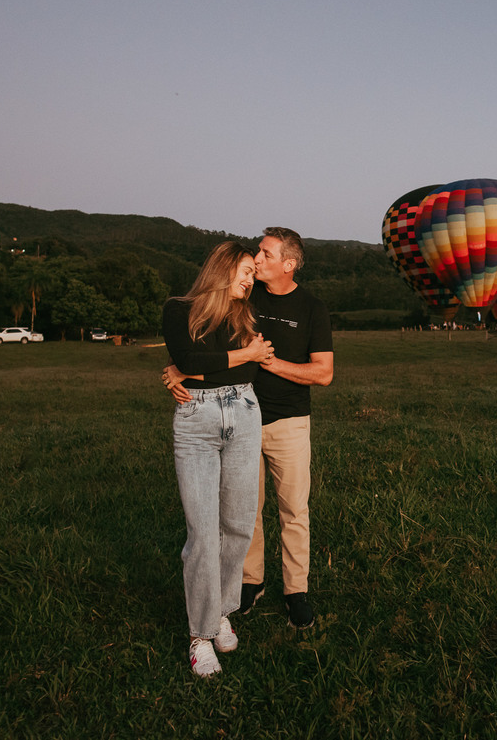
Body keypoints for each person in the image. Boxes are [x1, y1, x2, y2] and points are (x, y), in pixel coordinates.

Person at [165, 227, 333, 630]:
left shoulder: (312, 307)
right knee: (245, 511)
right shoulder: (244, 295)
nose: (256, 260)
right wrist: (178, 369)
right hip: (241, 418)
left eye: (265, 254)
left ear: (288, 264)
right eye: (255, 254)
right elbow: (204, 345)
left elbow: (324, 373)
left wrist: (269, 362)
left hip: (289, 420)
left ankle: (296, 592)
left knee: (293, 509)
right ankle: (250, 582)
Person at [161, 241, 273, 678]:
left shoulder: (247, 314)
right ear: (224, 268)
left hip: (244, 413)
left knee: (239, 524)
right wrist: (240, 355)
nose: (251, 278)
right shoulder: (178, 308)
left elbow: (244, 372)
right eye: (246, 270)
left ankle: (222, 610)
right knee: (203, 532)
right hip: (196, 419)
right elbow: (189, 357)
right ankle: (200, 635)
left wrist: (187, 369)